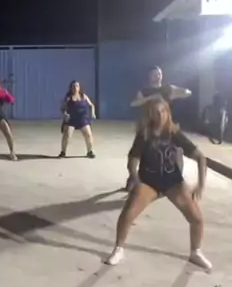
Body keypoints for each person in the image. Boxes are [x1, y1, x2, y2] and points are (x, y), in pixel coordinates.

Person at [106, 98, 211, 271]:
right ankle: (118, 249)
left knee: (197, 218)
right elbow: (132, 161)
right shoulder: (144, 134)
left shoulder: (174, 133)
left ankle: (195, 252)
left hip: (173, 182)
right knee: (128, 214)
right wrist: (136, 180)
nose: (160, 115)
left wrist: (201, 184)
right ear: (150, 115)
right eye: (156, 112)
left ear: (168, 113)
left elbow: (200, 157)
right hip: (149, 182)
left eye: (163, 111)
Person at [125, 66, 192, 190]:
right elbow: (134, 103)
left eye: (159, 74)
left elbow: (187, 92)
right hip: (149, 126)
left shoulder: (168, 88)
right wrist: (151, 98)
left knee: (177, 151)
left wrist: (179, 94)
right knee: (141, 153)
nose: (158, 76)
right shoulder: (145, 91)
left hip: (166, 125)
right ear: (149, 76)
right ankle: (133, 178)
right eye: (155, 74)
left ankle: (177, 181)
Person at [58, 81, 96, 158]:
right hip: (71, 119)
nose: (75, 87)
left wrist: (93, 113)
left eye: (77, 86)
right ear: (71, 88)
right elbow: (62, 108)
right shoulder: (68, 98)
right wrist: (65, 114)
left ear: (79, 88)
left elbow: (92, 105)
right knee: (67, 135)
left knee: (88, 135)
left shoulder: (83, 96)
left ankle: (90, 152)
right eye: (73, 86)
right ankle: (63, 152)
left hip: (82, 119)